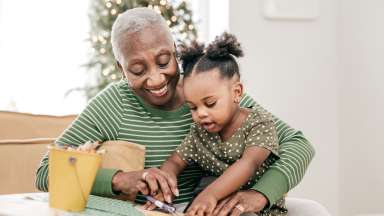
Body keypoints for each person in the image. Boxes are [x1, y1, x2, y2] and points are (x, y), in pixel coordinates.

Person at [35, 7, 315, 215]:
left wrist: (259, 194)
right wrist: (120, 180)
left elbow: (298, 145)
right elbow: (48, 171)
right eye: (137, 69)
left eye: (163, 60)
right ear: (121, 69)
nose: (156, 79)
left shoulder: (206, 92)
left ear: (175, 50)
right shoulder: (112, 104)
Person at [140, 32, 287, 216]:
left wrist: (210, 195)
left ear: (237, 92)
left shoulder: (259, 123)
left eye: (210, 103)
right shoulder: (200, 133)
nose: (201, 114)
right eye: (193, 107)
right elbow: (176, 160)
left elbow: (248, 164)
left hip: (252, 209)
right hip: (213, 205)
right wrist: (166, 179)